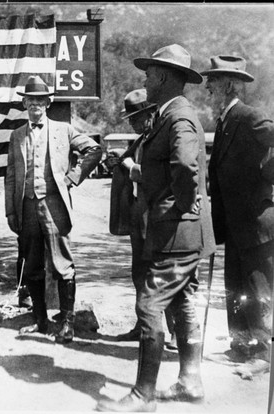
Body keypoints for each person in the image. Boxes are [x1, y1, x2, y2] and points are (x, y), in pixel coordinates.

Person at [96, 44, 216, 412]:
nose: (146, 80)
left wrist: (182, 203)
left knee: (149, 304)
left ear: (163, 77)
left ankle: (142, 395)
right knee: (182, 302)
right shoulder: (171, 113)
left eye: (149, 74)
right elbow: (171, 167)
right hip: (182, 232)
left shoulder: (177, 117)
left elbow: (184, 165)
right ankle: (189, 382)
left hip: (176, 231)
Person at [5, 75, 102, 344]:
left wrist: (72, 178)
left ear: (48, 103)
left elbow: (94, 150)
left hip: (54, 205)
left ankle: (67, 323)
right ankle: (40, 320)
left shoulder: (64, 130)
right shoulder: (16, 136)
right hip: (26, 207)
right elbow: (11, 174)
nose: (35, 105)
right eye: (30, 100)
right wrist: (11, 212)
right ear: (24, 103)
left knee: (62, 265)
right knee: (32, 264)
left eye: (40, 100)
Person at [201, 55, 274, 376]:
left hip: (256, 222)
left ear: (228, 86)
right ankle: (243, 344)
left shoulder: (248, 116)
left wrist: (267, 180)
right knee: (236, 286)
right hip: (234, 223)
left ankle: (265, 354)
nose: (207, 91)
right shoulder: (224, 121)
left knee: (260, 288)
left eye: (212, 85)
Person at [109, 89, 177, 350]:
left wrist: (129, 168)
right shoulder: (140, 141)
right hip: (140, 215)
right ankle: (144, 325)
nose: (132, 123)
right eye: (130, 118)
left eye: (136, 117)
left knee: (161, 274)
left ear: (150, 115)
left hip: (159, 216)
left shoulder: (163, 139)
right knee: (139, 273)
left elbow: (155, 175)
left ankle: (173, 332)